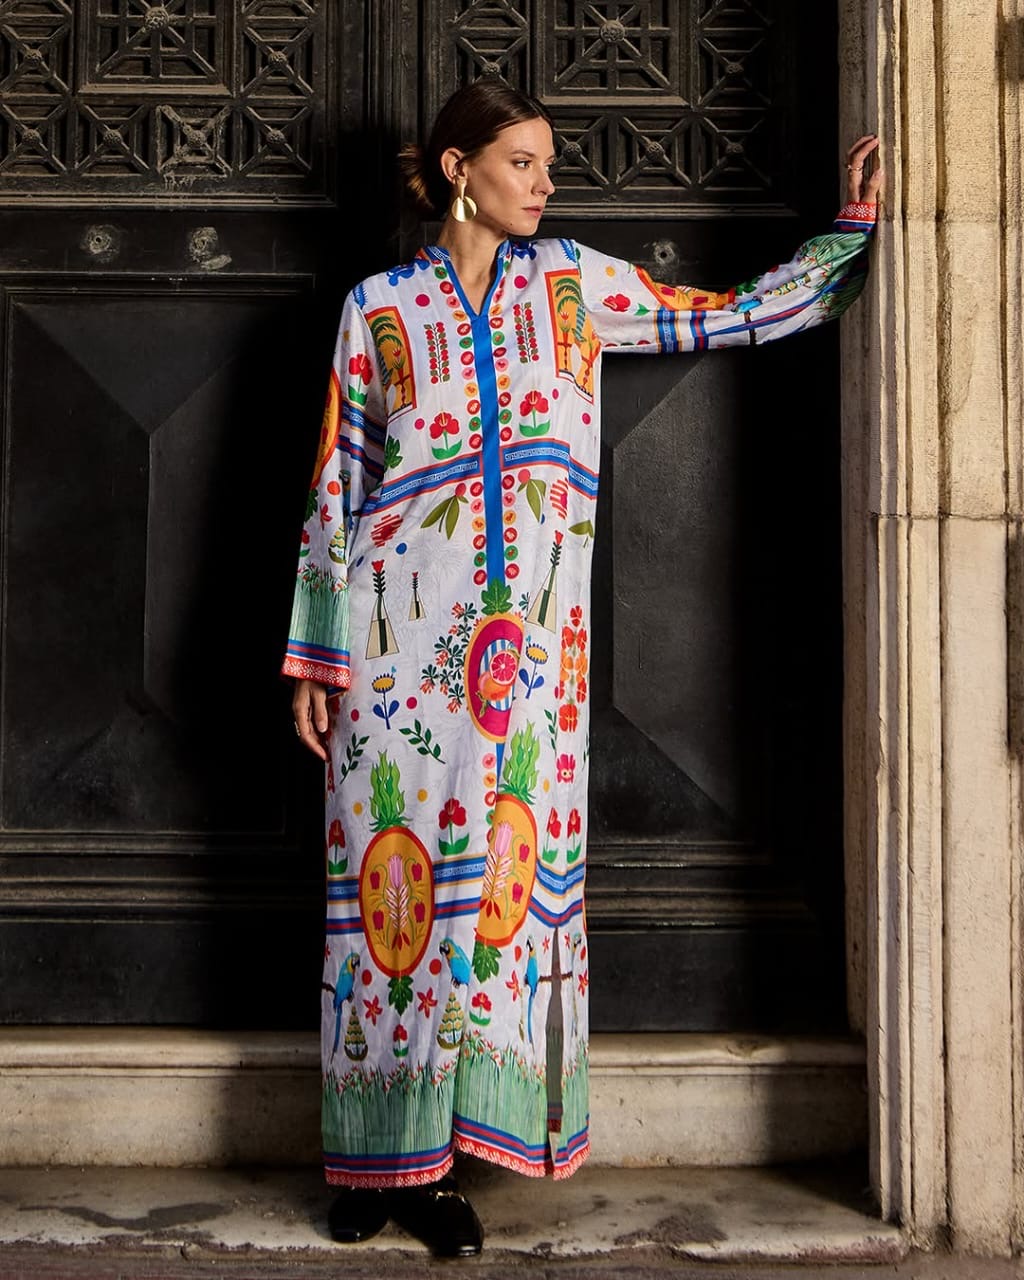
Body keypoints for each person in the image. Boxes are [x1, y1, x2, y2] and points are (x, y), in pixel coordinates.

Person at [285, 79, 882, 1257]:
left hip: (525, 675)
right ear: (457, 169)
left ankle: (444, 1168)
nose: (545, 183)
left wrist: (846, 236)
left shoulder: (573, 285)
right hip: (393, 661)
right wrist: (317, 652)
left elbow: (724, 317)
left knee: (492, 906)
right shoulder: (377, 309)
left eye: (547, 163)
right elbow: (335, 485)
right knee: (387, 904)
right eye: (522, 161)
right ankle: (373, 1161)